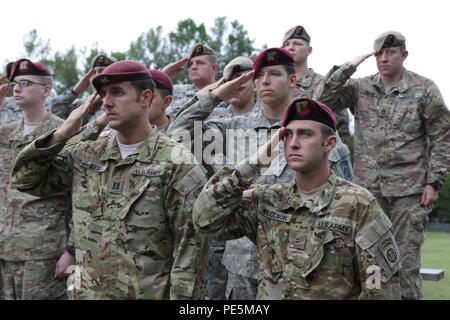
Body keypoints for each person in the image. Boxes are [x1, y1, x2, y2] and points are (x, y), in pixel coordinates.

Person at [10, 60, 209, 300]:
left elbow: (191, 251)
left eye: (117, 92)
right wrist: (63, 133)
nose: (106, 102)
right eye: (104, 94)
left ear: (145, 97)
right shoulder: (86, 154)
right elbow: (25, 180)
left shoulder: (177, 163)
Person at [168, 48, 353, 299]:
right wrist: (217, 93)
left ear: (292, 80)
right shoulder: (231, 128)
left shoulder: (314, 129)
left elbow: (346, 193)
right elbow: (178, 129)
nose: (265, 80)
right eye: (259, 75)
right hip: (242, 266)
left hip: (302, 267)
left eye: (274, 74)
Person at [193, 97, 401, 299]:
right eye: (287, 135)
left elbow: (380, 287)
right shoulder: (268, 199)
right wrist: (252, 165)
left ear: (329, 143)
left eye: (305, 134)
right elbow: (204, 221)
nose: (293, 143)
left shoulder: (358, 204)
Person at [320, 30, 450, 299]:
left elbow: (443, 136)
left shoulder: (424, 88)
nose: (384, 58)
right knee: (368, 261)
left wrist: (434, 182)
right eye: (379, 53)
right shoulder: (361, 87)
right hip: (369, 192)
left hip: (409, 193)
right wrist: (350, 65)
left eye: (390, 53)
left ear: (404, 55)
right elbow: (323, 99)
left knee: (405, 264)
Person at [0, 59, 73, 299]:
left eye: (25, 83)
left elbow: (79, 194)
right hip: (4, 250)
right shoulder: (5, 133)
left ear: (46, 90)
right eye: (15, 84)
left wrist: (72, 250)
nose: (17, 88)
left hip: (43, 252)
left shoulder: (62, 134)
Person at [281, 25, 352, 149]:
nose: (291, 48)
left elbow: (341, 127)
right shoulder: (275, 84)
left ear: (309, 50)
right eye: (286, 45)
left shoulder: (325, 85)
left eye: (297, 44)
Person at [163, 43, 223, 119]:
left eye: (200, 63)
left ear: (214, 68)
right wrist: (164, 75)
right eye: (190, 64)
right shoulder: (175, 91)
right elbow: (146, 100)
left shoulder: (226, 93)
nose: (193, 67)